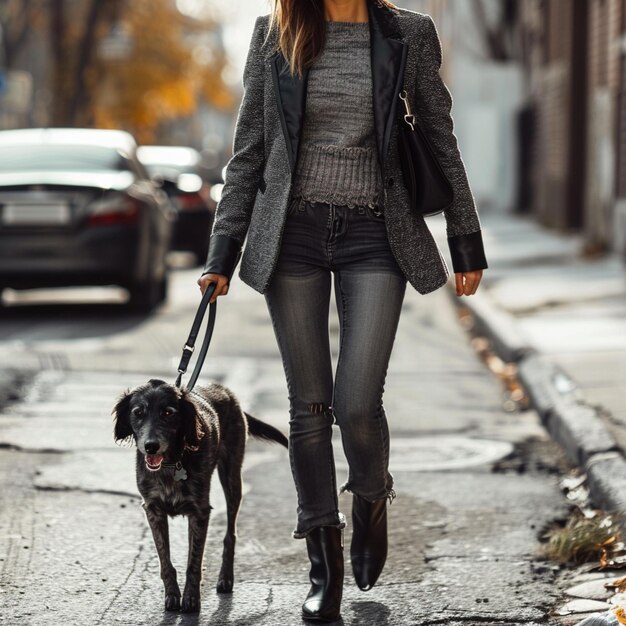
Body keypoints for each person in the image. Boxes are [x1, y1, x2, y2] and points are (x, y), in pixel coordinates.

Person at [198, 0, 488, 621]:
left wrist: (466, 238)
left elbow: (439, 136)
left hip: (377, 234)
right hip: (293, 233)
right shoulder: (274, 33)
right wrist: (222, 251)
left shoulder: (408, 33)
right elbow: (248, 150)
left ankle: (372, 495)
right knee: (309, 406)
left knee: (357, 403)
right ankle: (323, 562)